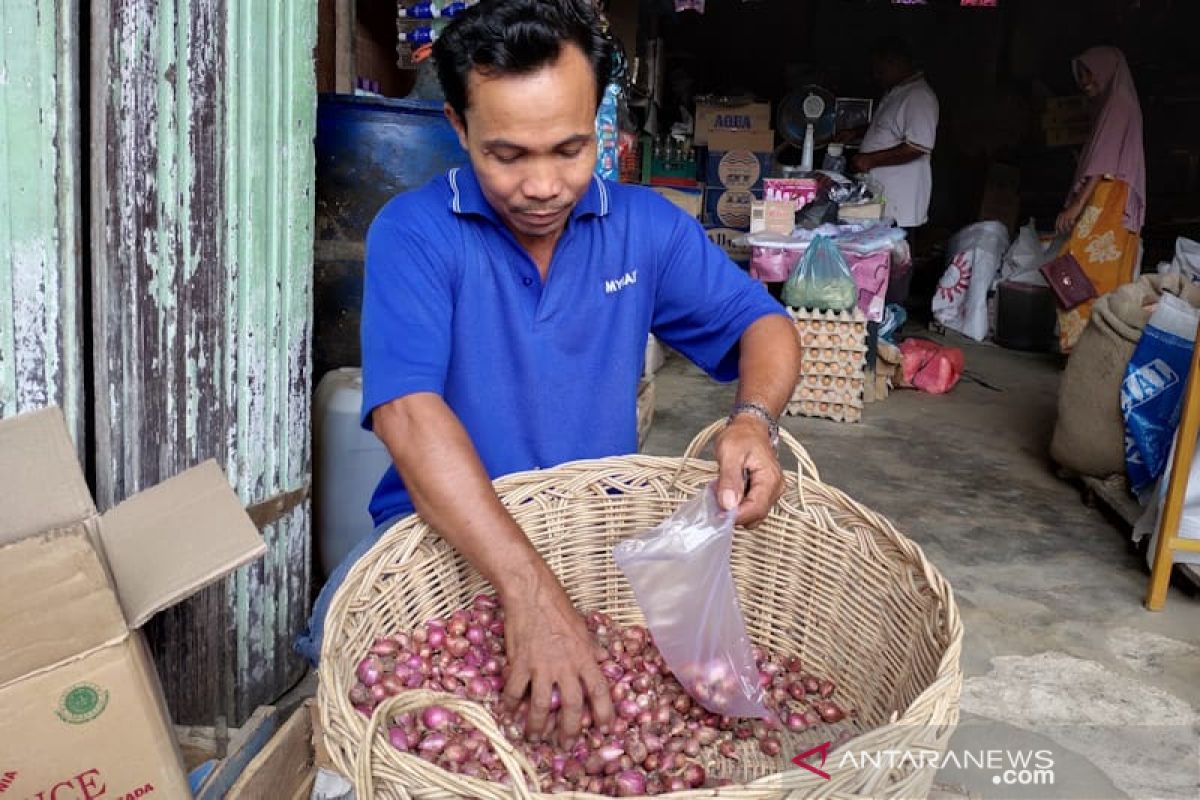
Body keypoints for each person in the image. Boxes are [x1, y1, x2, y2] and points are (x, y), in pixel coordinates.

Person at [296, 0, 802, 744]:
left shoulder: (646, 228)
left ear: (599, 121)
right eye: (508, 155)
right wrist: (531, 593)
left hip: (592, 535)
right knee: (349, 695)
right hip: (437, 535)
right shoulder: (415, 232)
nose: (542, 186)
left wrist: (753, 420)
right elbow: (408, 412)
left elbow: (766, 326)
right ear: (459, 128)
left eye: (568, 150)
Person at [1053, 46, 1145, 352]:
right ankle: (1097, 345)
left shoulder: (1118, 104)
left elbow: (1103, 164)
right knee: (1102, 272)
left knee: (1078, 265)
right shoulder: (1116, 102)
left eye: (1089, 75)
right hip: (1113, 197)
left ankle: (1085, 344)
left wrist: (1077, 205)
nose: (1085, 84)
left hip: (1109, 198)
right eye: (1081, 78)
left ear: (1105, 70)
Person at [848, 37, 940, 232]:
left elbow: (917, 147)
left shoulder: (918, 97)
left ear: (896, 63)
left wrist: (870, 159)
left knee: (894, 256)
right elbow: (887, 127)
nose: (876, 75)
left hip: (899, 205)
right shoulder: (897, 92)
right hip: (881, 200)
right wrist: (854, 133)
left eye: (880, 70)